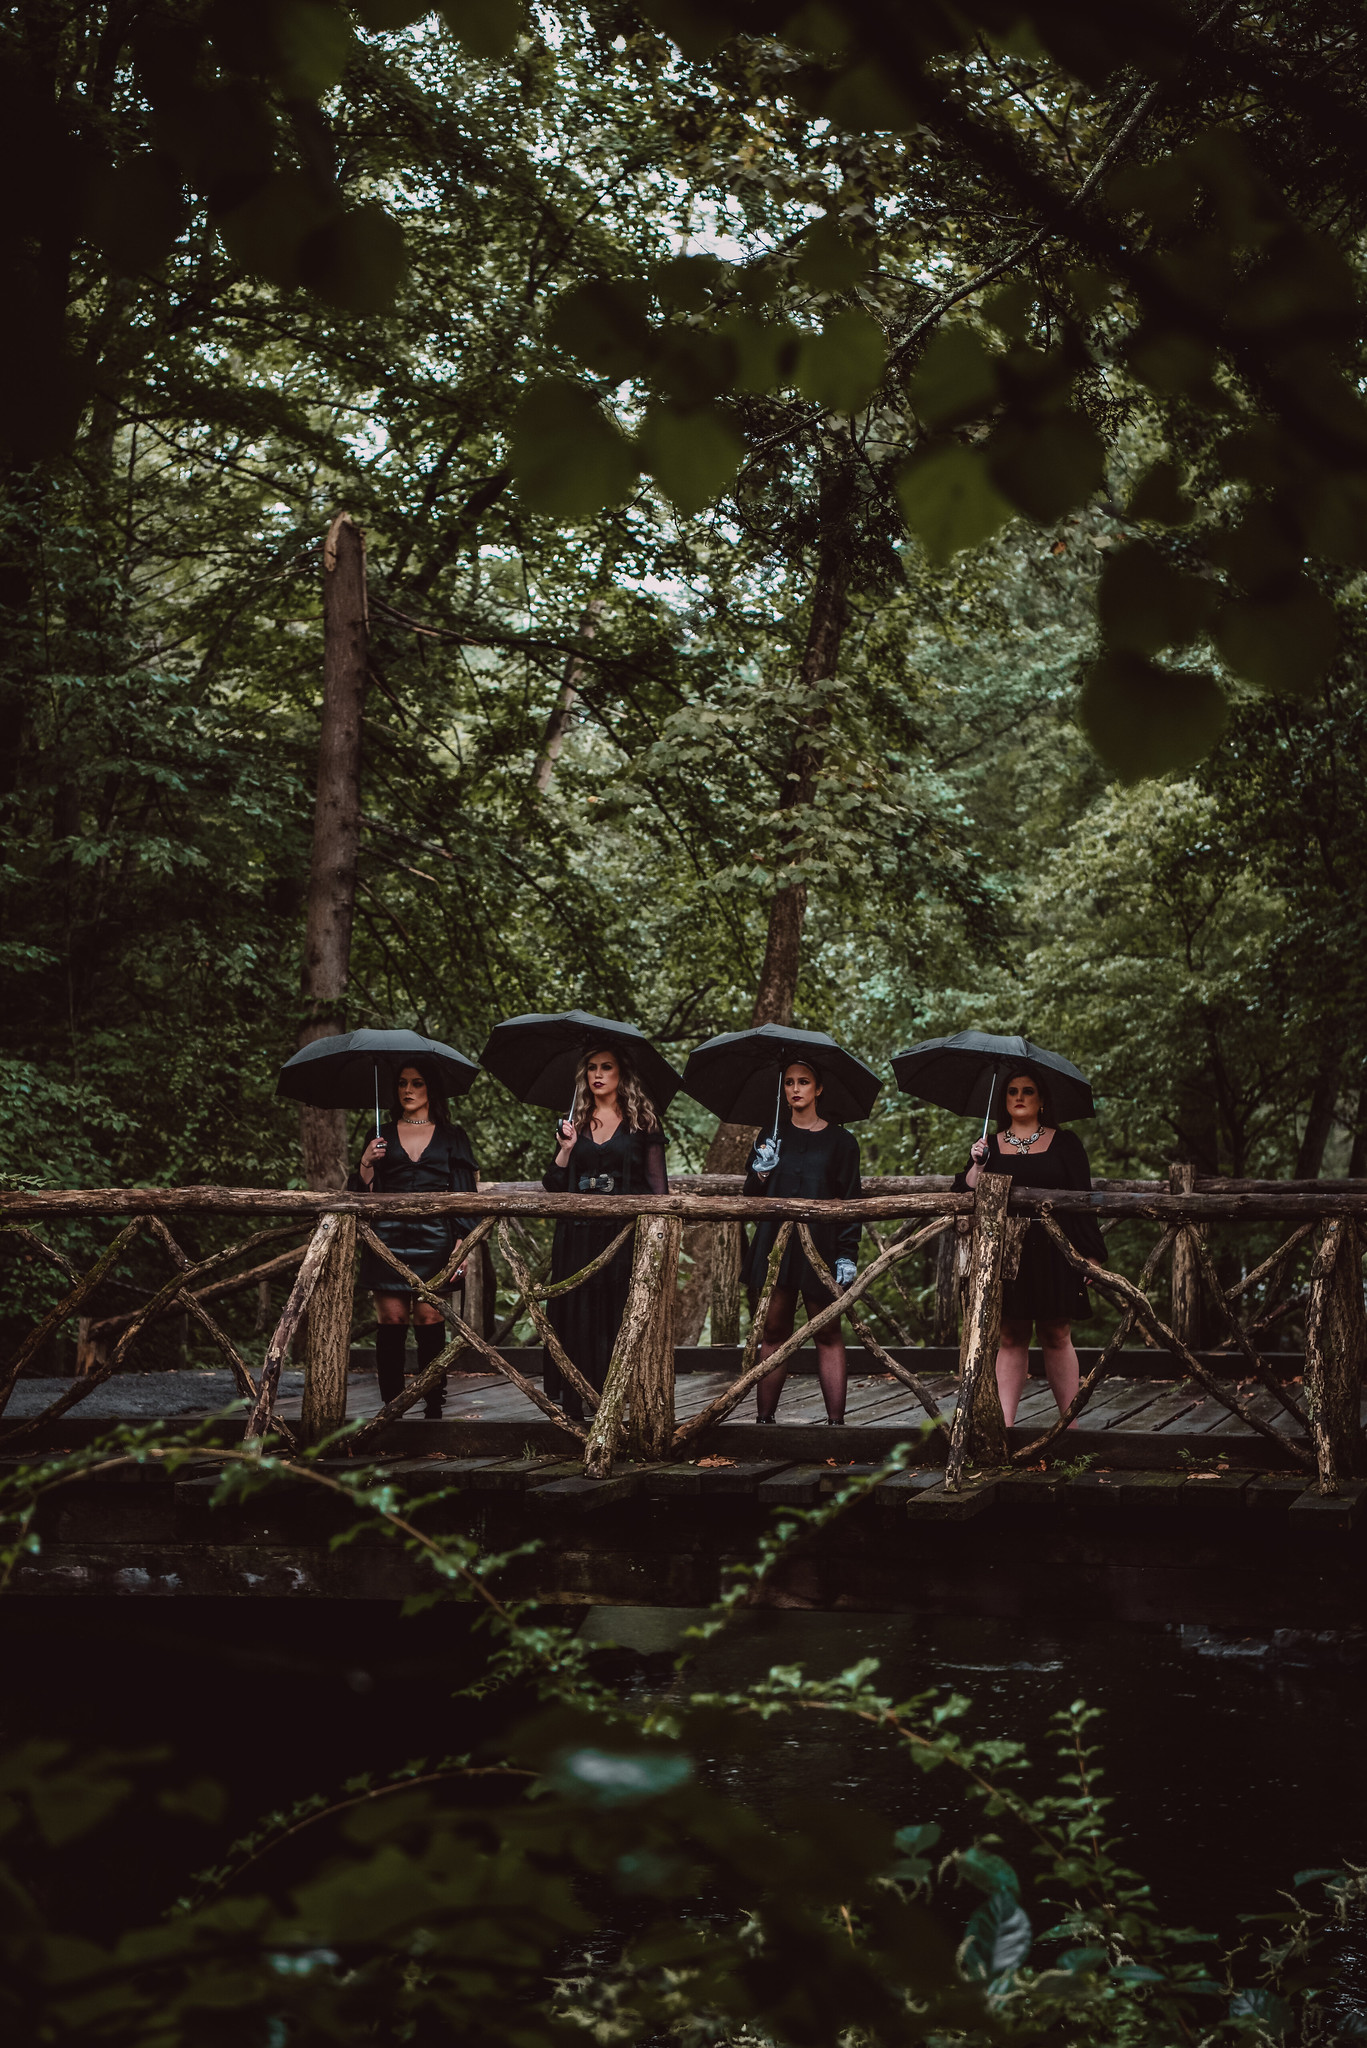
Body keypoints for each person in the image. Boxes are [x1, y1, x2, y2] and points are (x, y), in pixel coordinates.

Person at [957, 1069, 1107, 1425]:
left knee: (1057, 1331)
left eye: (1028, 1091)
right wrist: (977, 1164)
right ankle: (1005, 1424)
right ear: (1003, 1100)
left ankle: (1069, 1425)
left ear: (1042, 1100)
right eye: (1011, 1092)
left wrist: (1090, 1255)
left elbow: (1083, 1199)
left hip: (1055, 1249)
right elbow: (963, 1195)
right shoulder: (988, 1146)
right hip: (1007, 1252)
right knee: (1010, 1333)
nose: (1019, 1097)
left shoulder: (1066, 1142)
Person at [541, 1045, 668, 1421]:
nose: (598, 1074)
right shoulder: (574, 1123)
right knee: (575, 1312)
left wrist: (655, 1238)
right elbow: (552, 1184)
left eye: (606, 1068)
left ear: (621, 1075)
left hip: (622, 1233)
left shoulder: (643, 1122)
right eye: (592, 1068)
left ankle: (611, 1400)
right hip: (576, 1234)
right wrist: (565, 1149)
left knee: (614, 1313)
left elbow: (659, 1188)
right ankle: (574, 1403)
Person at [349, 1062, 477, 1417]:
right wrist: (366, 1161)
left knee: (428, 1319)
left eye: (416, 1083)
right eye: (402, 1083)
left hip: (436, 1237)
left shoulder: (453, 1136)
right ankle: (391, 1406)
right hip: (386, 1237)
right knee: (391, 1320)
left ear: (430, 1089)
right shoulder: (380, 1135)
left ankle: (434, 1404)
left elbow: (465, 1194)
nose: (408, 1090)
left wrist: (462, 1244)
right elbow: (363, 1195)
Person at [742, 1059, 862, 1425]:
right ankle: (764, 1421)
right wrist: (761, 1170)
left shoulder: (842, 1141)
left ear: (818, 1088)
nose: (796, 1089)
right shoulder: (771, 1134)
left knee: (826, 1331)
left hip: (821, 1247)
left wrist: (846, 1254)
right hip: (774, 1246)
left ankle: (836, 1424)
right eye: (790, 1082)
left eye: (804, 1082)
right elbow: (749, 1196)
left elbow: (850, 1201)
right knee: (773, 1330)